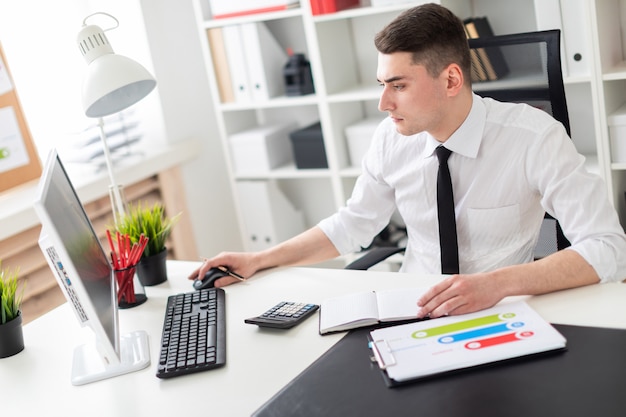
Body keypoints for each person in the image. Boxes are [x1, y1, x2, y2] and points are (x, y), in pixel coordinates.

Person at [189, 3, 626, 318]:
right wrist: (260, 259)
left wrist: (497, 284)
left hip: (502, 310)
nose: (383, 103)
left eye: (397, 85)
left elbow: (608, 249)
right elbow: (354, 223)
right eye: (382, 84)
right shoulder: (390, 140)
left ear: (451, 78)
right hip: (410, 306)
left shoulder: (534, 139)